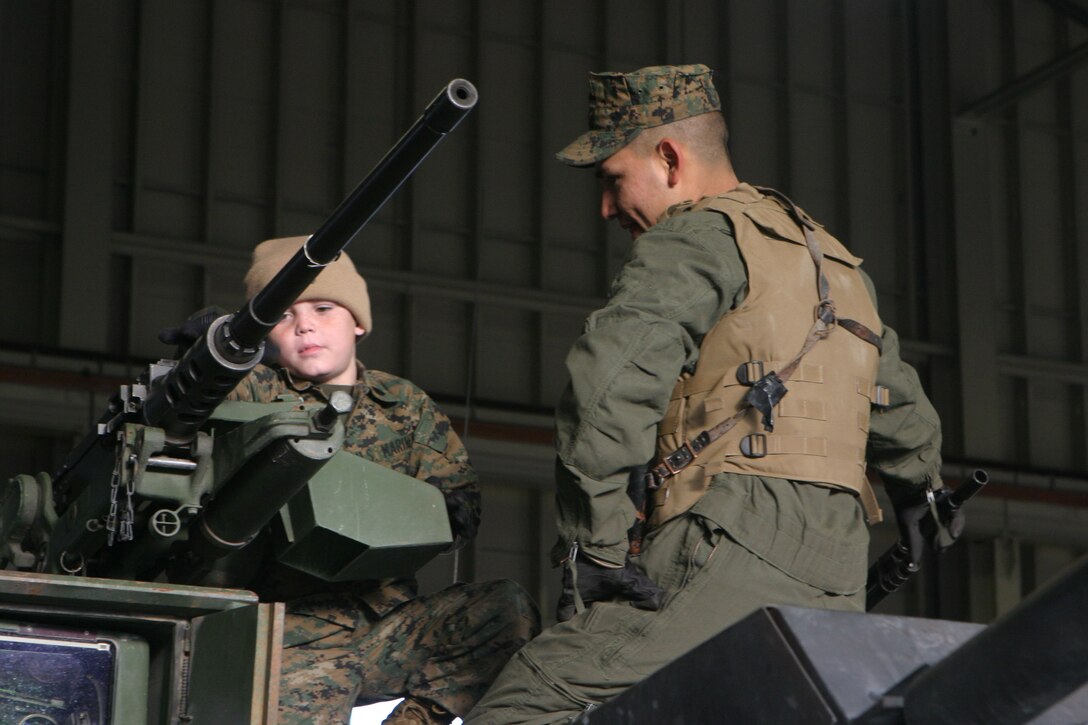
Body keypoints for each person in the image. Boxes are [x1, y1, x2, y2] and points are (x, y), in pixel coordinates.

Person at [465, 64, 950, 724]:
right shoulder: (833, 263)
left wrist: (598, 545)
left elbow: (608, 384)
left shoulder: (695, 235)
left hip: (728, 538)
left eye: (613, 180)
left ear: (668, 157)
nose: (607, 207)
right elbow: (901, 407)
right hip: (839, 571)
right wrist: (922, 493)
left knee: (528, 701)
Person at [228, 236, 541, 725]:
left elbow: (462, 506)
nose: (305, 324)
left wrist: (426, 513)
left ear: (357, 321)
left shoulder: (403, 403)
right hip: (288, 633)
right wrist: (212, 354)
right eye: (283, 315)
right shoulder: (252, 390)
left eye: (324, 307)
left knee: (503, 608)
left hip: (388, 626)